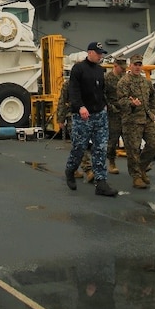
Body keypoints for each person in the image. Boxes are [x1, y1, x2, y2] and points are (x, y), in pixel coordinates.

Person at [64, 42, 117, 197]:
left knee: (100, 148)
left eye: (102, 54)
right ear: (90, 52)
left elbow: (101, 91)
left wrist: (104, 105)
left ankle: (101, 183)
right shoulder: (78, 69)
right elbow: (73, 90)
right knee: (79, 147)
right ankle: (70, 170)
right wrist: (80, 106)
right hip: (83, 116)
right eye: (98, 53)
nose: (101, 56)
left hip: (99, 114)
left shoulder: (100, 71)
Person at [116, 54, 155, 189]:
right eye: (135, 64)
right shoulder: (124, 82)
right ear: (130, 65)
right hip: (132, 120)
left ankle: (141, 169)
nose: (137, 67)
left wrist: (153, 113)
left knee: (153, 144)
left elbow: (153, 98)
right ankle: (136, 177)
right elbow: (121, 101)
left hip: (146, 119)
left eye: (139, 65)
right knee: (133, 150)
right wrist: (132, 103)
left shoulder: (146, 82)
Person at [56, 78, 94, 182]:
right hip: (72, 116)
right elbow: (62, 101)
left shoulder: (88, 83)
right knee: (80, 144)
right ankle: (88, 170)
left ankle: (72, 168)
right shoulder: (68, 84)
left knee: (78, 145)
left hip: (88, 116)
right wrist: (60, 119)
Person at [104, 57, 127, 174]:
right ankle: (111, 162)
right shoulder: (107, 78)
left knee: (129, 139)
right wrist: (110, 107)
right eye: (121, 67)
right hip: (113, 113)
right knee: (112, 140)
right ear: (115, 65)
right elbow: (103, 95)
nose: (123, 70)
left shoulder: (126, 77)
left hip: (126, 112)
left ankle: (137, 164)